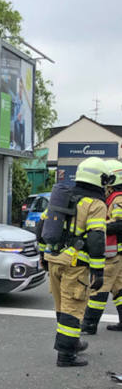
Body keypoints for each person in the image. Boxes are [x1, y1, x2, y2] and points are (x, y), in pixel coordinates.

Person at [41, 157, 109, 367]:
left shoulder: (63, 197)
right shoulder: (95, 204)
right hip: (74, 263)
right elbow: (97, 238)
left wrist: (43, 257)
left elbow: (41, 226)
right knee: (73, 309)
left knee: (63, 306)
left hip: (53, 258)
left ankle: (73, 342)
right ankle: (66, 355)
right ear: (99, 179)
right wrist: (98, 272)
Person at [82, 160, 122, 334]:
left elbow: (119, 224)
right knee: (119, 288)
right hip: (117, 252)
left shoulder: (117, 198)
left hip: (112, 253)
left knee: (100, 288)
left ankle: (89, 324)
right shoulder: (114, 197)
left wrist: (98, 226)